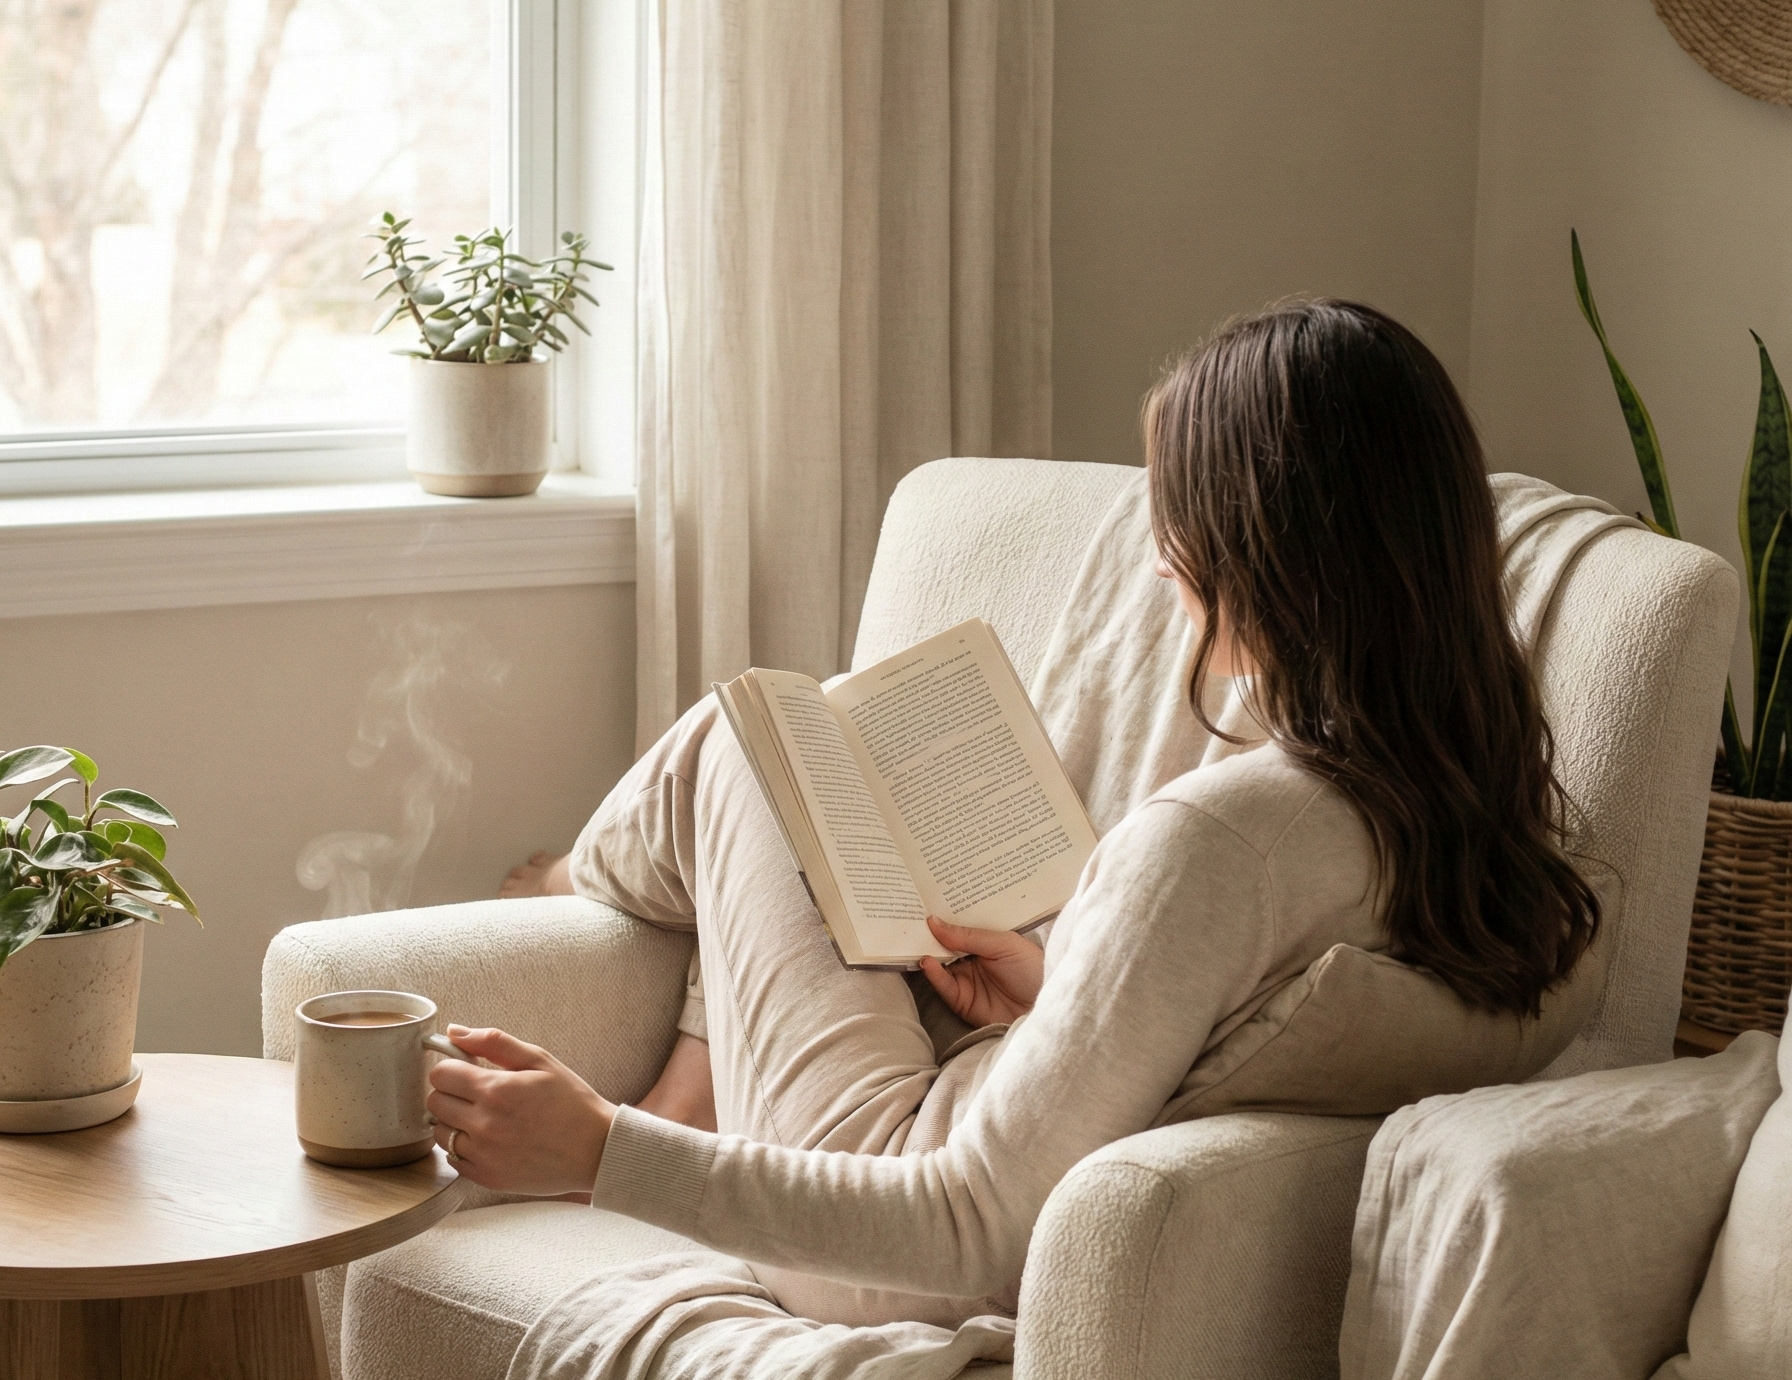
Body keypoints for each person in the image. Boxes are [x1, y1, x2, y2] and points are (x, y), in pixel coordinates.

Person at [432, 300, 1601, 1326]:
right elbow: (1247, 1027)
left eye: (1178, 524)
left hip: (885, 1228)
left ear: (1264, 552)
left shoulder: (1213, 841)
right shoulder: (1486, 836)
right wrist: (1062, 987)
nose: (1160, 568)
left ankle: (579, 892)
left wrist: (602, 1152)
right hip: (987, 1103)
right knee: (821, 732)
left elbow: (964, 1231)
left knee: (761, 732)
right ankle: (675, 1011)